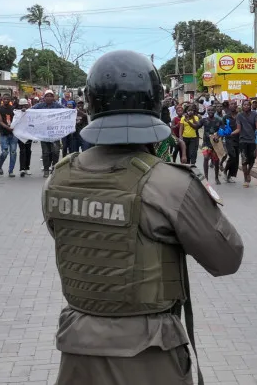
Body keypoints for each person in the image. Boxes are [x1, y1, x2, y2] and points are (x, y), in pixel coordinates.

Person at [43, 50, 244, 385]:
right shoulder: (170, 183)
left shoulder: (59, 178)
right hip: (148, 353)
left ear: (91, 105)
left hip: (77, 348)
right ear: (155, 105)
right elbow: (227, 259)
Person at [31, 89, 62, 177]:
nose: (48, 97)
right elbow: (31, 111)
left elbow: (66, 112)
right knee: (46, 152)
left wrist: (72, 111)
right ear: (44, 98)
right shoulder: (39, 105)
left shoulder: (57, 106)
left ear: (53, 97)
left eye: (50, 96)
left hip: (55, 132)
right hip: (43, 133)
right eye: (47, 96)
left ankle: (54, 168)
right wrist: (24, 110)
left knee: (56, 151)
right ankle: (46, 169)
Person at [233, 99, 257, 188]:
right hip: (243, 141)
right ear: (242, 106)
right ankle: (245, 179)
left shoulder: (254, 114)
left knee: (252, 160)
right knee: (244, 161)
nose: (246, 106)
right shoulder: (239, 116)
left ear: (250, 106)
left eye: (248, 104)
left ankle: (248, 172)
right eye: (244, 105)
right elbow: (238, 129)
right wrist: (230, 133)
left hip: (252, 140)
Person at [0, 95, 18, 177]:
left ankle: (11, 171)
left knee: (13, 152)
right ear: (2, 100)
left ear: (10, 100)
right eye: (5, 99)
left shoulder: (14, 109)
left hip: (13, 134)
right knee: (5, 152)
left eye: (8, 99)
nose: (6, 100)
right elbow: (0, 121)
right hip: (4, 133)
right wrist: (7, 127)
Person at [201, 105, 223, 184]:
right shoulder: (204, 120)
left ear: (214, 111)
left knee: (216, 161)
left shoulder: (219, 120)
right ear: (207, 111)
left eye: (212, 110)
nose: (210, 111)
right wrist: (190, 120)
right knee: (206, 158)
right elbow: (196, 126)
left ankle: (216, 177)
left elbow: (222, 130)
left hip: (215, 144)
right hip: (206, 143)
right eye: (209, 110)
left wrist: (218, 136)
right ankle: (206, 178)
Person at [16, 98, 34, 177]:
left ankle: (27, 167)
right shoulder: (16, 113)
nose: (23, 107)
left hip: (29, 134)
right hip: (20, 135)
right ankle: (22, 169)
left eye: (25, 105)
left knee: (28, 151)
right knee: (22, 151)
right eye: (21, 105)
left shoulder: (31, 113)